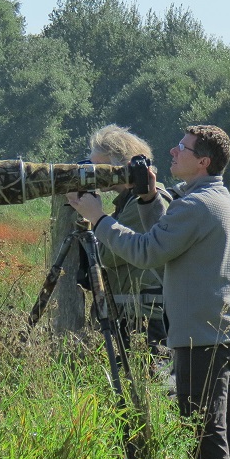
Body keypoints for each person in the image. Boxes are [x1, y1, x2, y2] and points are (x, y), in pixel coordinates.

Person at [67, 124, 230, 459]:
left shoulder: (195, 205)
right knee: (229, 426)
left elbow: (146, 252)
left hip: (204, 336)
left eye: (183, 149)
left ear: (202, 161)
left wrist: (98, 218)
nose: (172, 151)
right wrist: (151, 195)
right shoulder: (215, 198)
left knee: (205, 429)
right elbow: (166, 234)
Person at [86, 124, 171, 361]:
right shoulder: (129, 202)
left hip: (143, 315)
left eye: (97, 167)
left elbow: (108, 256)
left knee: (156, 385)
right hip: (134, 311)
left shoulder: (143, 202)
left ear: (120, 166)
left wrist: (96, 217)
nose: (92, 173)